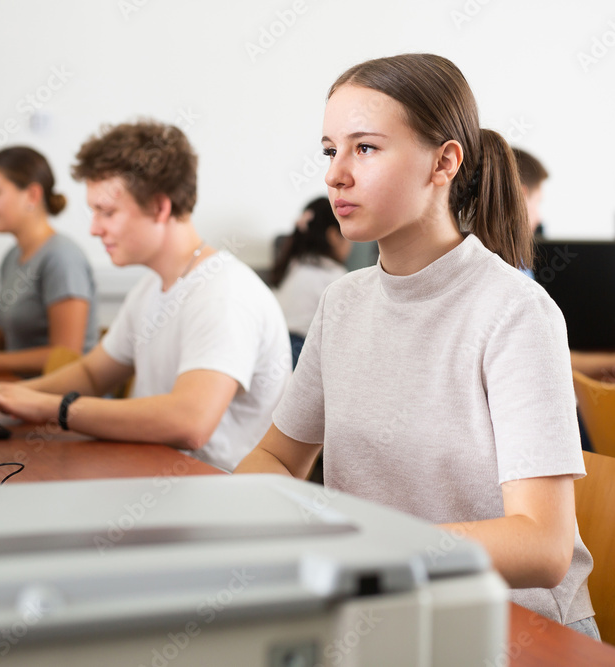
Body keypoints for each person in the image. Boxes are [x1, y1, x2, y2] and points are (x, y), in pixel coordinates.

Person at [235, 54, 596, 637]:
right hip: (384, 607)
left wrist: (364, 550)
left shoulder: (515, 313)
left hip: (508, 625)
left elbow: (543, 545)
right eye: (331, 150)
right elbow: (278, 456)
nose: (335, 175)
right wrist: (231, 519)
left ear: (444, 162)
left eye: (366, 148)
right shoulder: (343, 302)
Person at [0, 120, 291, 471]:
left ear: (160, 207)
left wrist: (51, 408)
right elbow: (92, 376)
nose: (94, 228)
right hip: (155, 477)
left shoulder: (225, 293)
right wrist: (10, 397)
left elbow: (189, 423)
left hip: (214, 498)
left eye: (107, 212)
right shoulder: (153, 286)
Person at [511, 147, 615, 381]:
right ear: (522, 196)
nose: (539, 217)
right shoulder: (510, 264)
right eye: (538, 202)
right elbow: (544, 357)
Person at [0, 146, 99, 376]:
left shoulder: (62, 257)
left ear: (32, 195)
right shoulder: (11, 258)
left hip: (60, 399)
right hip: (20, 391)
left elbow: (64, 356)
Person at [272, 196, 353, 367]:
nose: (351, 244)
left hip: (276, 349)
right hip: (301, 353)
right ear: (333, 235)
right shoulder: (335, 275)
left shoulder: (292, 265)